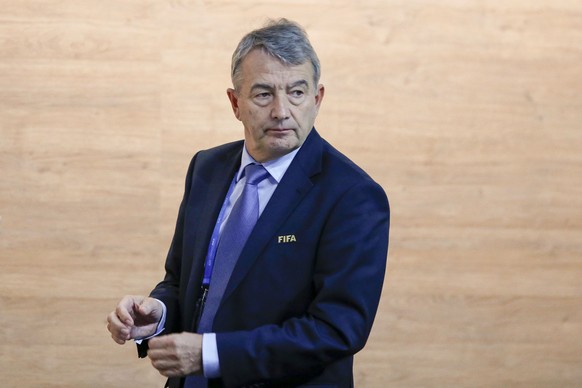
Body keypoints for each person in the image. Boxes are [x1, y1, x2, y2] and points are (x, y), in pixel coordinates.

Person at [107, 18, 390, 388]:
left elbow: (337, 330)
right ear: (235, 102)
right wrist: (157, 313)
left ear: (318, 99)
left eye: (297, 93)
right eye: (263, 94)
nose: (281, 111)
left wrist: (211, 355)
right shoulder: (206, 169)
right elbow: (183, 282)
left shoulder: (353, 196)